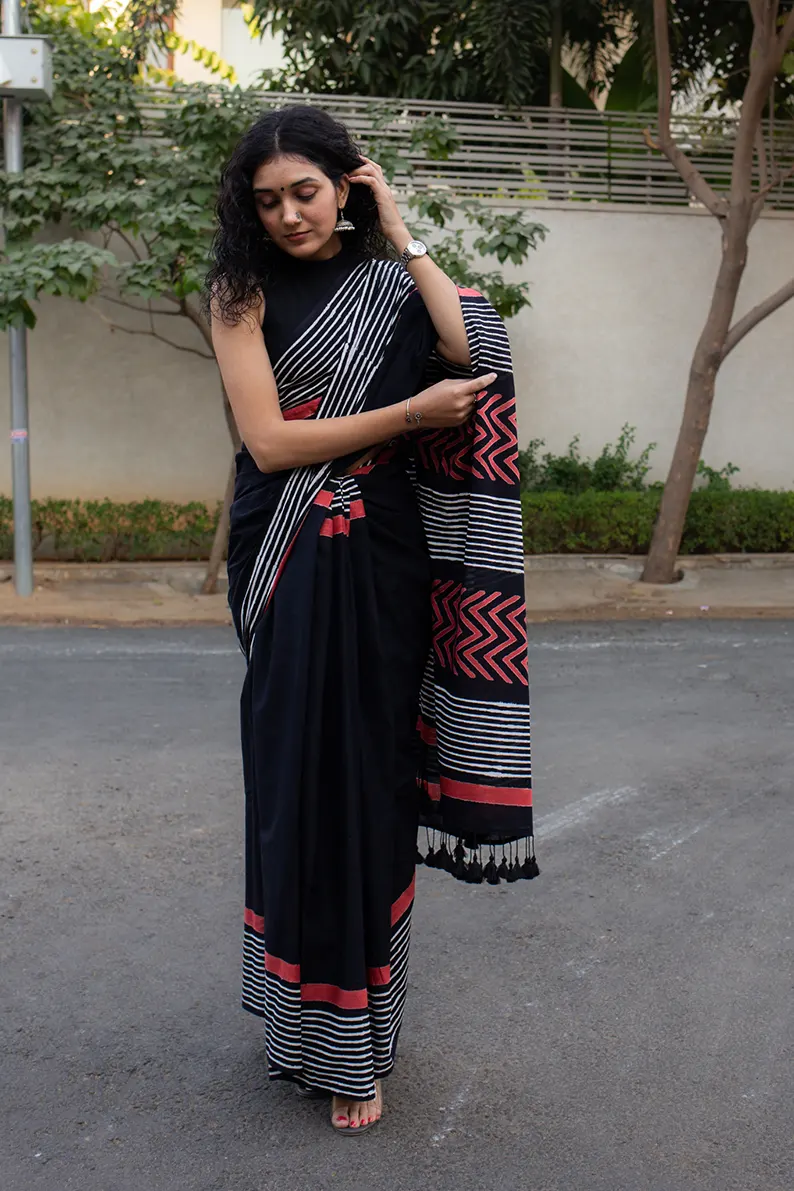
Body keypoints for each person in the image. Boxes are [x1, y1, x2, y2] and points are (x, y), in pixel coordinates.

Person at [205, 104, 537, 1136]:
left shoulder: (391, 282)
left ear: (344, 185)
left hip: (384, 558)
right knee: (293, 784)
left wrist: (397, 228)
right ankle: (297, 1023)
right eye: (268, 201)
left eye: (306, 192)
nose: (289, 215)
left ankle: (357, 1043)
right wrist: (404, 416)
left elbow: (473, 349)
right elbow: (268, 443)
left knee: (368, 786)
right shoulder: (239, 293)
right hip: (284, 551)